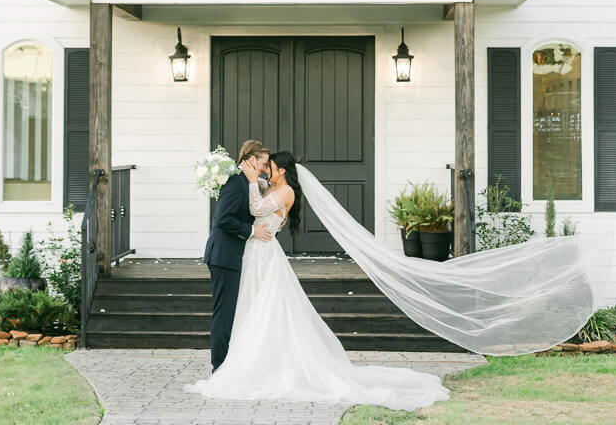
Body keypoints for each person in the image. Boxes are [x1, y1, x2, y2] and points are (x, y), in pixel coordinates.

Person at [188, 150, 450, 411]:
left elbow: (255, 208)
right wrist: (254, 182)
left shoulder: (287, 191)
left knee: (264, 308)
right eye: (265, 165)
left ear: (281, 170)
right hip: (253, 253)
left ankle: (263, 366)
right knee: (254, 309)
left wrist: (251, 182)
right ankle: (248, 362)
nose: (267, 169)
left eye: (271, 166)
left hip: (264, 256)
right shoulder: (268, 186)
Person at [202, 138, 273, 371]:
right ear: (251, 160)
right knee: (224, 313)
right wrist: (252, 230)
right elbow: (223, 219)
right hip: (224, 257)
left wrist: (262, 184)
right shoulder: (235, 182)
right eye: (262, 163)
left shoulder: (246, 180)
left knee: (232, 312)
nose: (264, 167)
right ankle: (219, 366)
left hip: (233, 256)